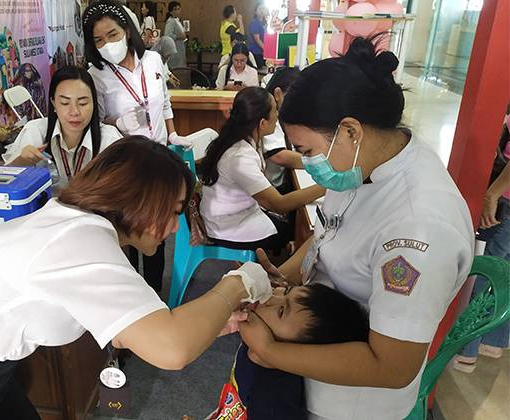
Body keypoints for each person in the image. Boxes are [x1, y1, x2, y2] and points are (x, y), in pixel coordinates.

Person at [0, 136, 273, 419]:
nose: (174, 227)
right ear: (140, 199)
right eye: (174, 210)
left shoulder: (85, 229)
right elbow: (172, 350)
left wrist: (211, 322)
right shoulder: (79, 239)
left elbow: (125, 330)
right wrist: (240, 281)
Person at [237, 36, 475, 420]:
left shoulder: (418, 229)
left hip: (352, 403)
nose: (306, 162)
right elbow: (329, 231)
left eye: (308, 150)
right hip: (309, 363)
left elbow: (393, 366)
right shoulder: (366, 164)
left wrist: (269, 351)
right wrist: (286, 275)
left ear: (350, 131)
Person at [83, 0, 192, 293]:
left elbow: (165, 101)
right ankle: (131, 295)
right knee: (129, 235)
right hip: (127, 166)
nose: (107, 43)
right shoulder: (96, 75)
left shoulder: (154, 61)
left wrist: (173, 133)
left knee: (155, 234)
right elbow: (99, 121)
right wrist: (118, 122)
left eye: (113, 34)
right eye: (99, 40)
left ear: (128, 31)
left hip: (159, 159)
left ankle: (154, 293)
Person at [200, 87, 325, 251]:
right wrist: (325, 186)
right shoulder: (240, 157)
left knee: (294, 220)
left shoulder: (241, 138)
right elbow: (279, 204)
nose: (278, 115)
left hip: (230, 215)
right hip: (226, 228)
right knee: (298, 231)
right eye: (274, 111)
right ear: (262, 123)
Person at [232, 283, 370, 419]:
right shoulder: (256, 342)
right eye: (286, 291)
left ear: (297, 350)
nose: (270, 298)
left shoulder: (274, 401)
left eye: (281, 311)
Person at [453, 105, 510, 373]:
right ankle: (493, 341)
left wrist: (492, 194)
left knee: (487, 273)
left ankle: (467, 349)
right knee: (505, 272)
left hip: (506, 203)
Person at [3, 65, 122, 191]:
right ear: (54, 103)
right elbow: (4, 181)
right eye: (65, 103)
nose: (75, 112)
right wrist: (22, 161)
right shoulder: (36, 131)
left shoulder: (109, 140)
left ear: (94, 103)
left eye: (83, 103)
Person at [263, 67, 303, 193]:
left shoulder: (282, 113)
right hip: (271, 189)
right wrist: (319, 164)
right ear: (277, 94)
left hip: (281, 184)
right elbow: (279, 156)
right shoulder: (266, 115)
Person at [164, 1, 186, 69]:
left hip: (180, 48)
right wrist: (179, 36)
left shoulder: (177, 20)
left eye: (179, 9)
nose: (178, 11)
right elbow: (168, 35)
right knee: (176, 69)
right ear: (171, 11)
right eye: (175, 9)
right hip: (175, 49)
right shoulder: (171, 21)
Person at [248, 3, 267, 69]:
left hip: (261, 51)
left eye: (263, 8)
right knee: (258, 70)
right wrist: (267, 50)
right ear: (255, 12)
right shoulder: (255, 23)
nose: (262, 11)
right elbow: (257, 39)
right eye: (259, 9)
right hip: (255, 52)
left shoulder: (264, 23)